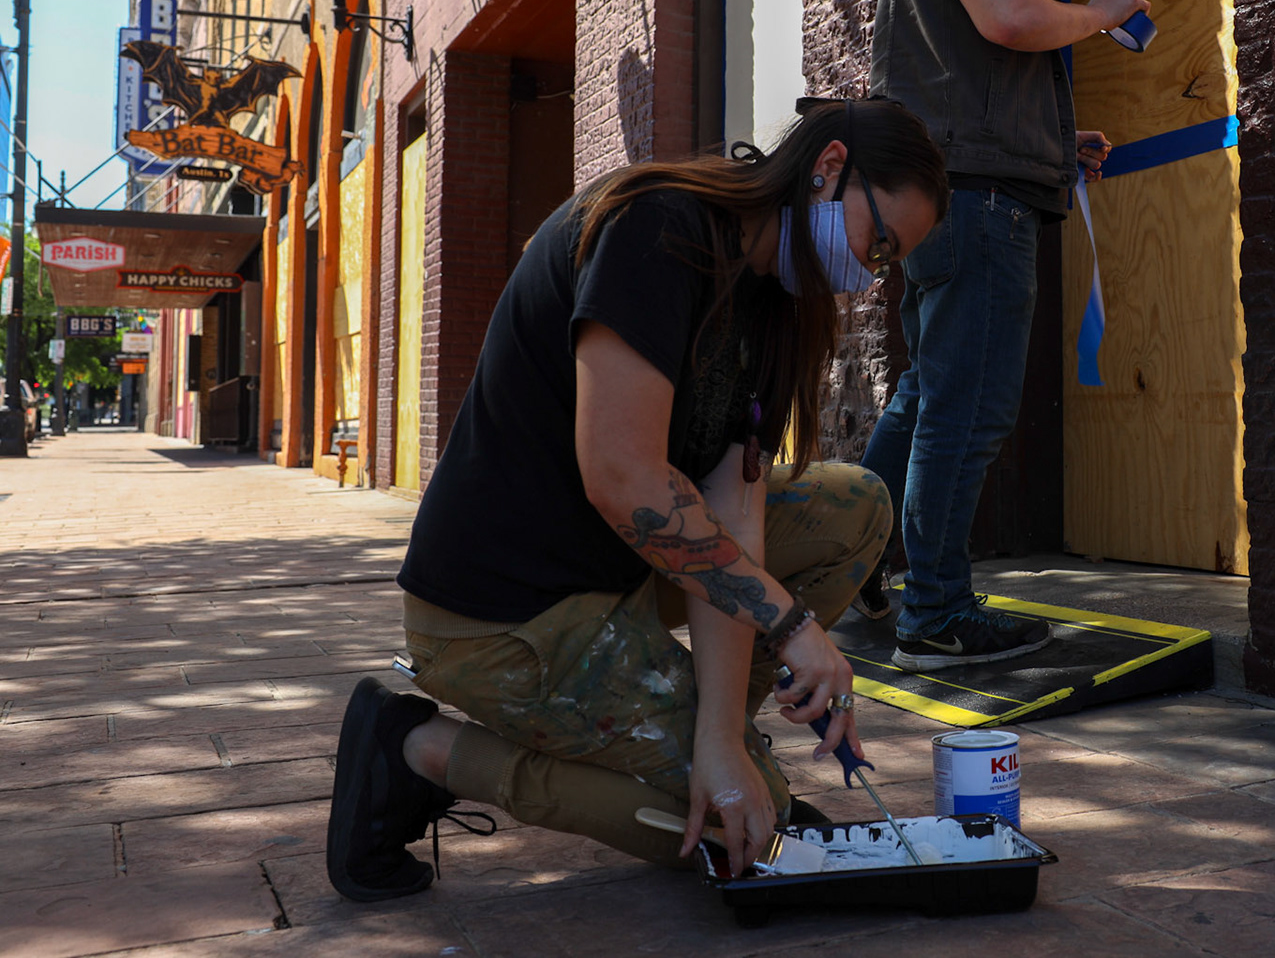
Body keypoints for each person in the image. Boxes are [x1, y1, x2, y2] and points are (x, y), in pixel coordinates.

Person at [325, 99, 948, 900]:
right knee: (743, 827)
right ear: (828, 168)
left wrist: (723, 733)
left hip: (614, 577)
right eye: (880, 242)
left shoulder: (772, 301)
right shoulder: (659, 230)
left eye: (889, 264)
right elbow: (623, 477)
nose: (870, 273)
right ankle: (413, 748)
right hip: (504, 618)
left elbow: (733, 515)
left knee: (854, 504)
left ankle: (705, 741)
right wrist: (790, 626)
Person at [859, 0, 1150, 670]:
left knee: (924, 396)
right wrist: (1101, 15)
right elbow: (1007, 18)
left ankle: (850, 563)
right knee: (968, 410)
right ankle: (937, 614)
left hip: (957, 187)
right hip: (978, 200)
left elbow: (974, 62)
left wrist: (1058, 144)